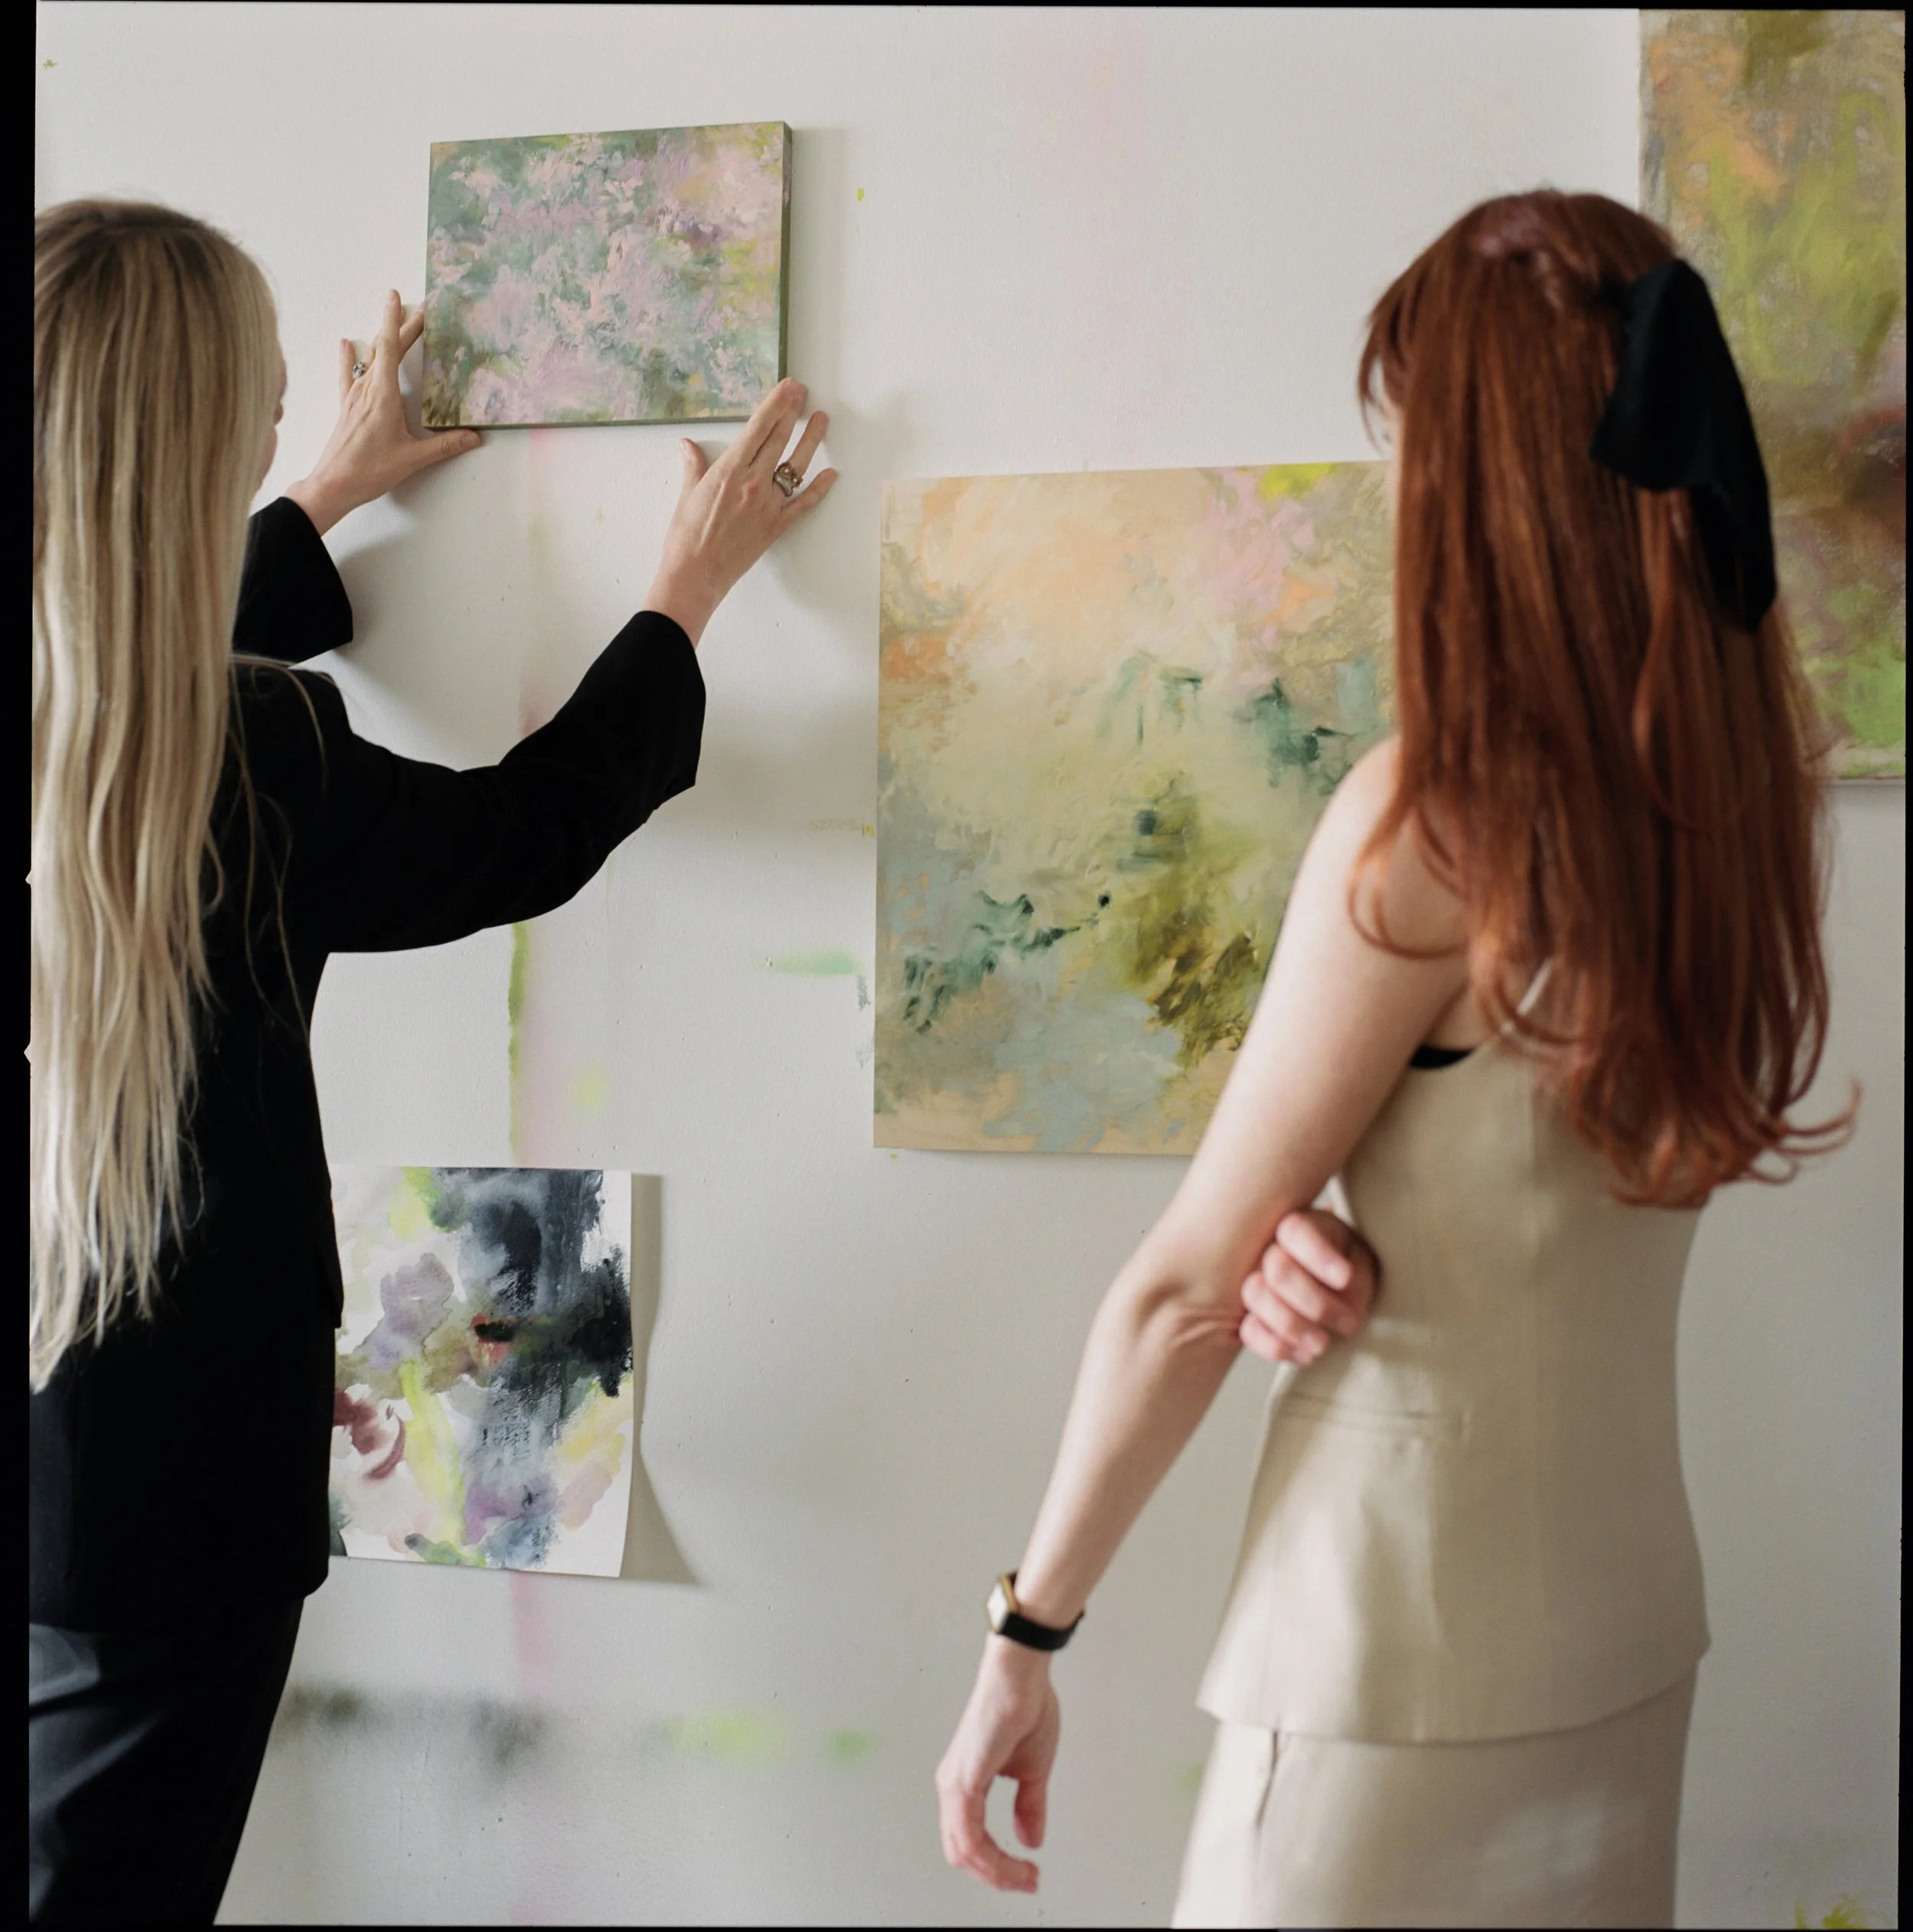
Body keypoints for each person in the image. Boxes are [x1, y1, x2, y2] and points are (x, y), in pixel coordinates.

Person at [936, 188, 1848, 1928]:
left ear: (1476, 477)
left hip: (1383, 1662)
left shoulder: (1432, 822)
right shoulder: (1749, 786)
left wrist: (1022, 1632)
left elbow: (1178, 1293)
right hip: (1625, 1630)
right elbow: (1506, 1166)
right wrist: (1314, 1221)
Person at [28, 197, 836, 1924]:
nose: (264, 419)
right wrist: (683, 590)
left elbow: (108, 666)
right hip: (165, 1514)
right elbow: (521, 831)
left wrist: (315, 499)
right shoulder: (247, 760)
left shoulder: (168, 735)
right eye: (244, 399)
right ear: (174, 443)